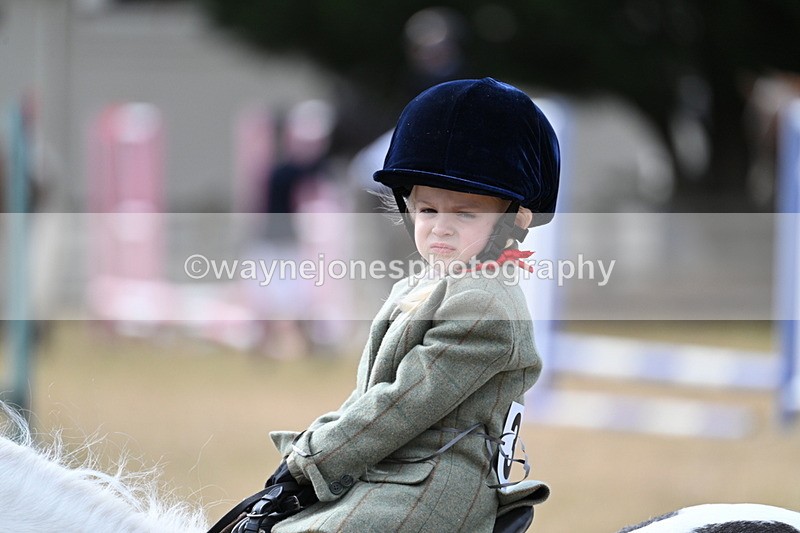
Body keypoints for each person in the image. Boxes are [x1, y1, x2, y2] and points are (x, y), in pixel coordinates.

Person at [221, 77, 560, 533]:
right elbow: (367, 397)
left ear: (512, 219)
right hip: (387, 471)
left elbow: (401, 404)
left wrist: (312, 459)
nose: (440, 228)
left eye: (465, 213)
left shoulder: (484, 302)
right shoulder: (423, 284)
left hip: (434, 486)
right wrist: (309, 449)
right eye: (428, 210)